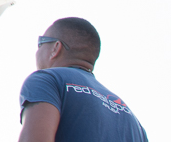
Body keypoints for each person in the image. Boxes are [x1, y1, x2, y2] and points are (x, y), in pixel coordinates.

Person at [18, 17, 148, 142]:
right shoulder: (133, 121)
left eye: (40, 43)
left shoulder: (46, 80)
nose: (37, 52)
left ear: (56, 48)